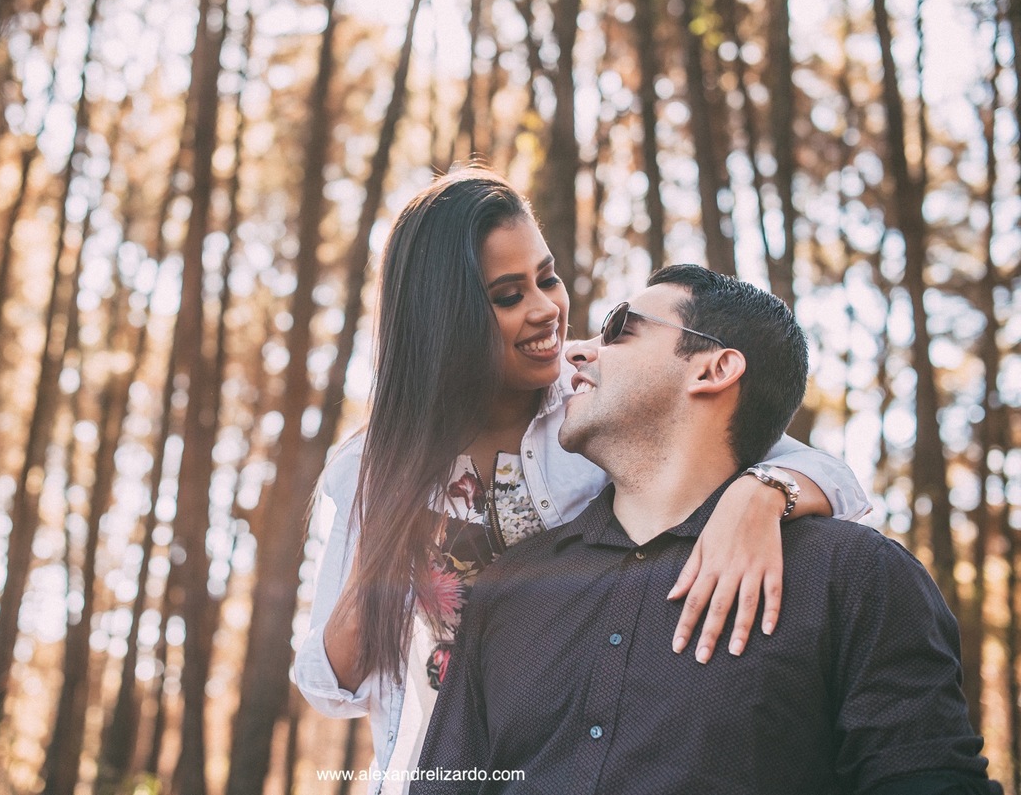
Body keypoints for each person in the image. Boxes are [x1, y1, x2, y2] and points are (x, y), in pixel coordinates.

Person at [293, 169, 870, 790]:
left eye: (548, 278)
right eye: (508, 296)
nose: (547, 310)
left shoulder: (592, 411)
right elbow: (330, 684)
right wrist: (389, 522)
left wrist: (762, 495)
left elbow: (823, 472)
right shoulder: (370, 467)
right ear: (445, 320)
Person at [414, 265, 998, 795]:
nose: (575, 352)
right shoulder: (507, 590)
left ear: (714, 368)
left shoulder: (854, 578)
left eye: (619, 329)